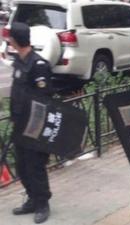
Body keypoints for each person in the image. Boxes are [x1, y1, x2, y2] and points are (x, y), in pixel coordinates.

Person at [9, 22, 53, 224]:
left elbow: (44, 99)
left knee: (35, 166)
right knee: (21, 166)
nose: (8, 40)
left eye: (10, 37)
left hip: (34, 125)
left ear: (16, 40)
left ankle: (42, 203)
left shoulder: (39, 65)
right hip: (19, 124)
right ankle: (32, 199)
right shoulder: (19, 61)